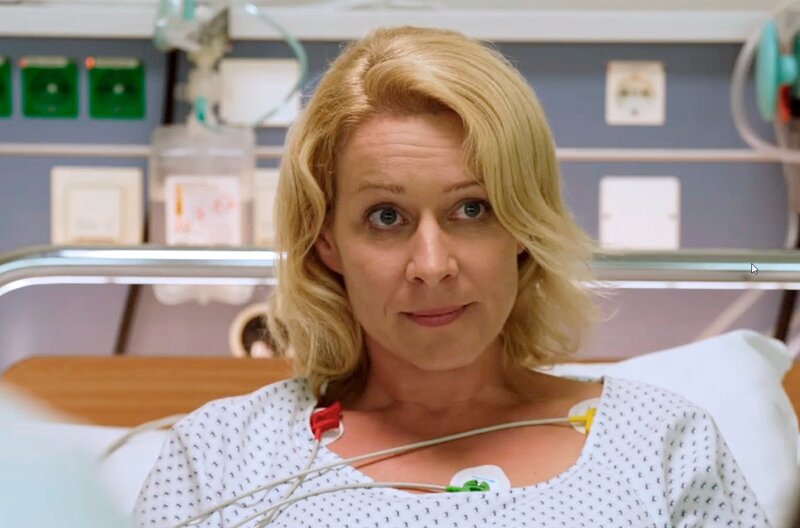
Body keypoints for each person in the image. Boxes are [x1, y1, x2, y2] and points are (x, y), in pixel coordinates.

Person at [134, 26, 771, 527]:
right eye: (386, 217)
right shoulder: (221, 460)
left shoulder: (661, 445)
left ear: (523, 226)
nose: (433, 265)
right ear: (327, 240)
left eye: (472, 209)